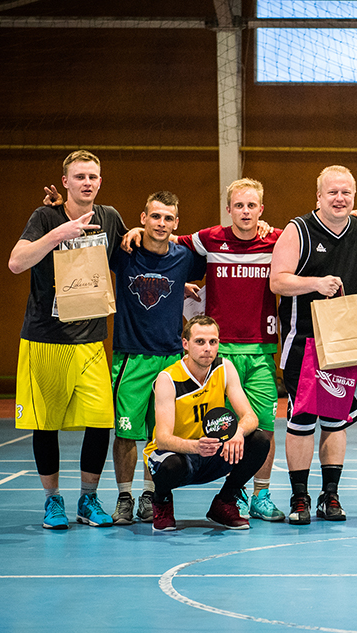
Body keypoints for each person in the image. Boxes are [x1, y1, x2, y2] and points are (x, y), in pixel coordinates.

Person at [8, 150, 127, 529]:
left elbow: (132, 258)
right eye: (79, 176)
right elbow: (16, 262)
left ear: (100, 181)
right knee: (45, 425)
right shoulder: (45, 216)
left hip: (91, 341)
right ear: (65, 182)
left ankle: (88, 500)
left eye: (93, 176)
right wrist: (60, 233)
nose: (87, 182)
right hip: (45, 339)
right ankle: (52, 501)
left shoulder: (109, 217)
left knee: (100, 423)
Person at [171, 179, 285, 522]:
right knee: (223, 428)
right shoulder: (210, 238)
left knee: (263, 428)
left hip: (261, 350)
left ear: (261, 209)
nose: (246, 212)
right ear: (229, 209)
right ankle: (233, 494)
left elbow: (311, 238)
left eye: (252, 206)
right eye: (239, 205)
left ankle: (261, 495)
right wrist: (135, 232)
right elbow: (162, 244)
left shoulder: (277, 239)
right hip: (219, 353)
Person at [270, 165, 357, 525]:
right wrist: (315, 283)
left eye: (346, 192)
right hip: (305, 340)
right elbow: (278, 282)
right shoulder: (297, 230)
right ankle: (299, 498)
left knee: (335, 422)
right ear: (318, 196)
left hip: (345, 341)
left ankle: (330, 496)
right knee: (300, 422)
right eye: (332, 192)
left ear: (354, 196)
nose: (339, 198)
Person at [109, 192, 206, 524]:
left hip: (169, 359)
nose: (161, 223)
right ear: (143, 217)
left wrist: (185, 288)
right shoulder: (124, 252)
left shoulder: (185, 258)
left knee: (160, 434)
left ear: (176, 223)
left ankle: (150, 496)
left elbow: (218, 254)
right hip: (131, 358)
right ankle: (124, 496)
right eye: (155, 216)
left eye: (168, 218)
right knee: (125, 433)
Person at [145, 315, 269, 531]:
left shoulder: (224, 367)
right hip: (180, 455)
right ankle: (162, 501)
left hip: (212, 453)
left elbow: (250, 417)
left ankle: (224, 501)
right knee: (168, 466)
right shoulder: (169, 378)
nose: (208, 348)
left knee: (258, 439)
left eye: (213, 342)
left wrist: (238, 433)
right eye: (200, 342)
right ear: (185, 344)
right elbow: (162, 439)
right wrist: (195, 447)